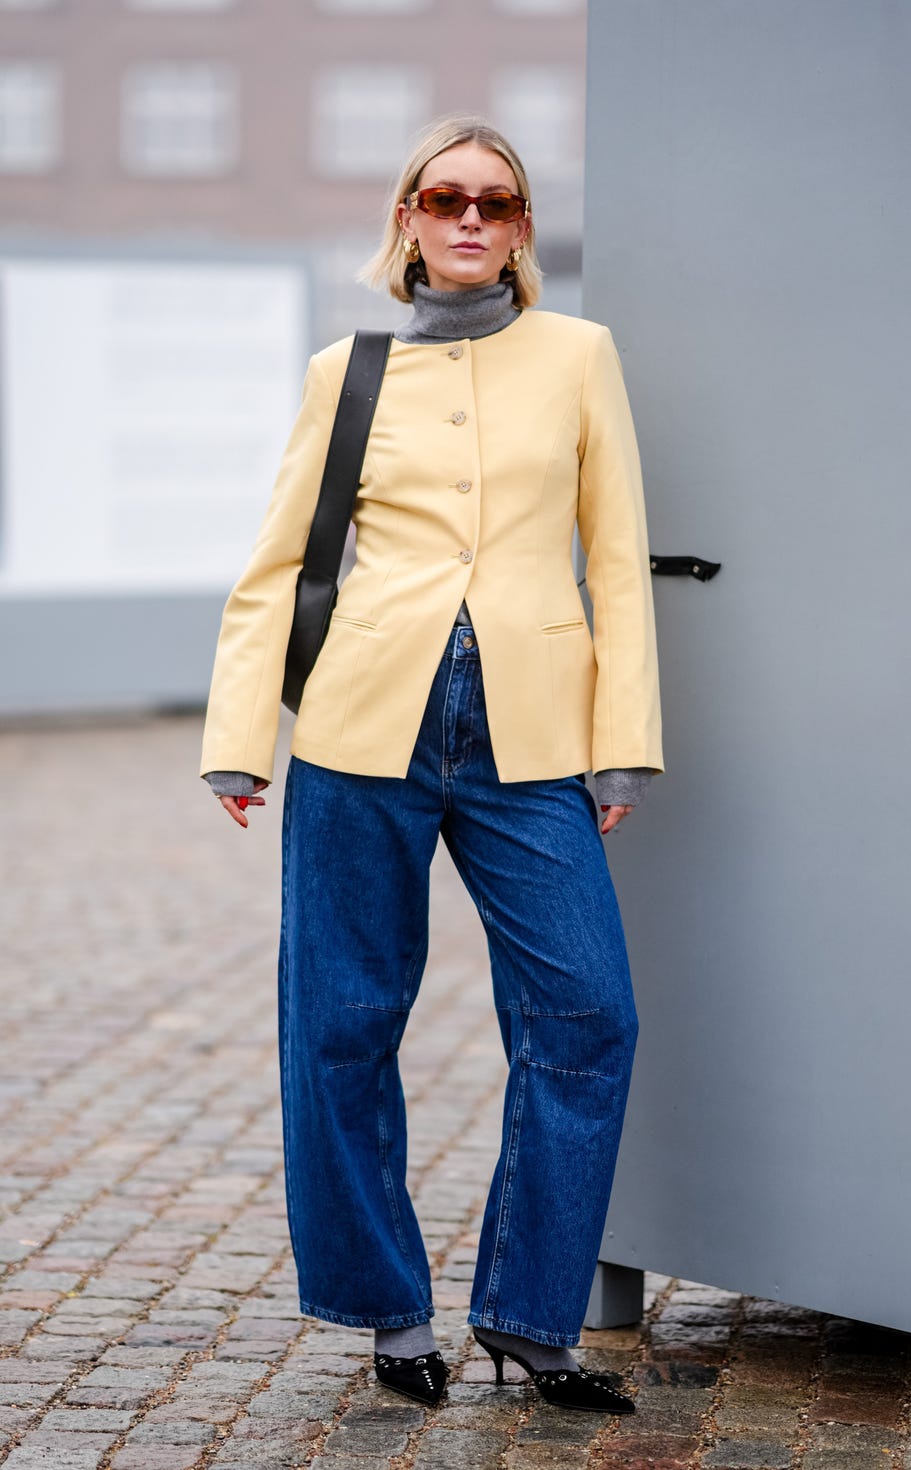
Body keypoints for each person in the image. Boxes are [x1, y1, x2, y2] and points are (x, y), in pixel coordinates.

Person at [200, 115, 662, 1414]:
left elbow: (615, 555)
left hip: (531, 736)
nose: (470, 218)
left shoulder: (580, 358)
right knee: (343, 1019)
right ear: (405, 216)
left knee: (588, 1013)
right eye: (445, 196)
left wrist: (623, 741)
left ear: (522, 232)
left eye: (497, 204)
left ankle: (530, 1312)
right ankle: (390, 1309)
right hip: (360, 730)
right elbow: (278, 565)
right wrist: (240, 739)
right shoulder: (345, 371)